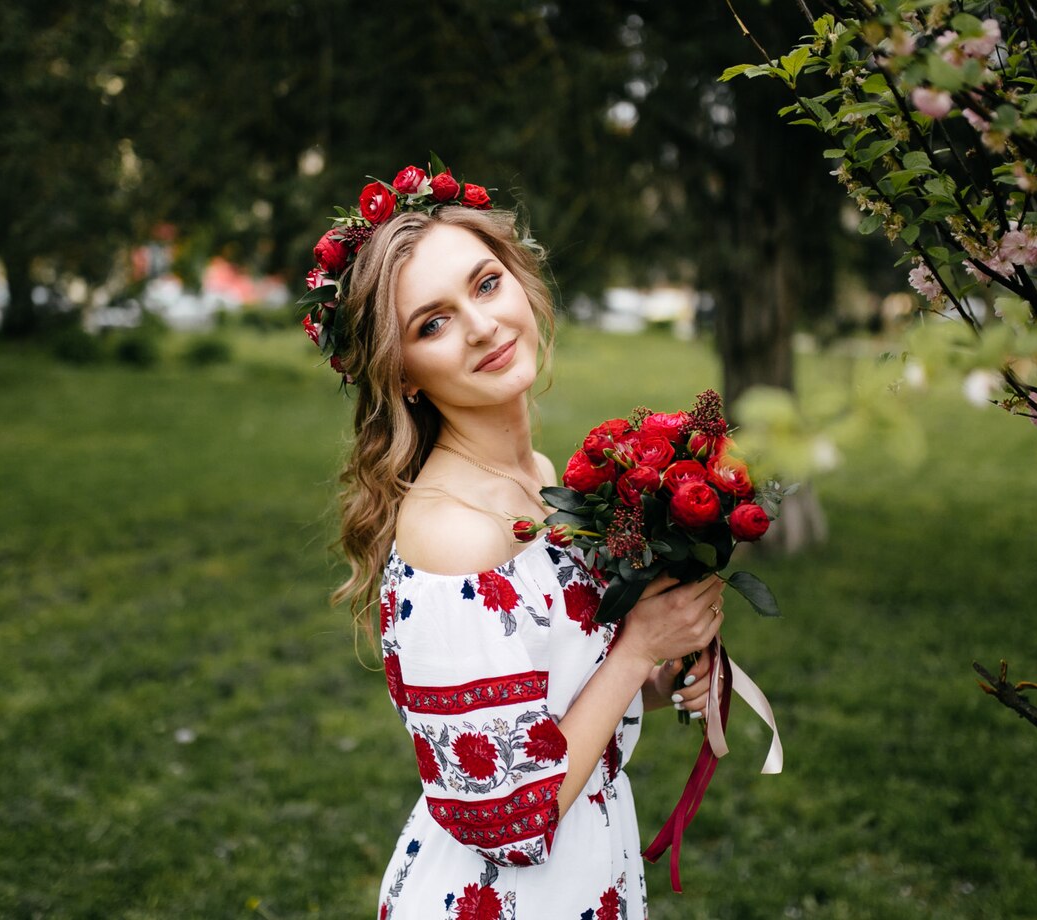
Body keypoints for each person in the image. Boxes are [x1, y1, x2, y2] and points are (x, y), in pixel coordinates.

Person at [309, 163, 726, 919]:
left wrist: (665, 675)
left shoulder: (537, 478)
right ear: (401, 374)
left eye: (486, 284)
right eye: (431, 323)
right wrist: (638, 647)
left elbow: (551, 706)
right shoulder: (451, 538)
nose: (480, 325)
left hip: (585, 874)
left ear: (523, 285)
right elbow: (506, 818)